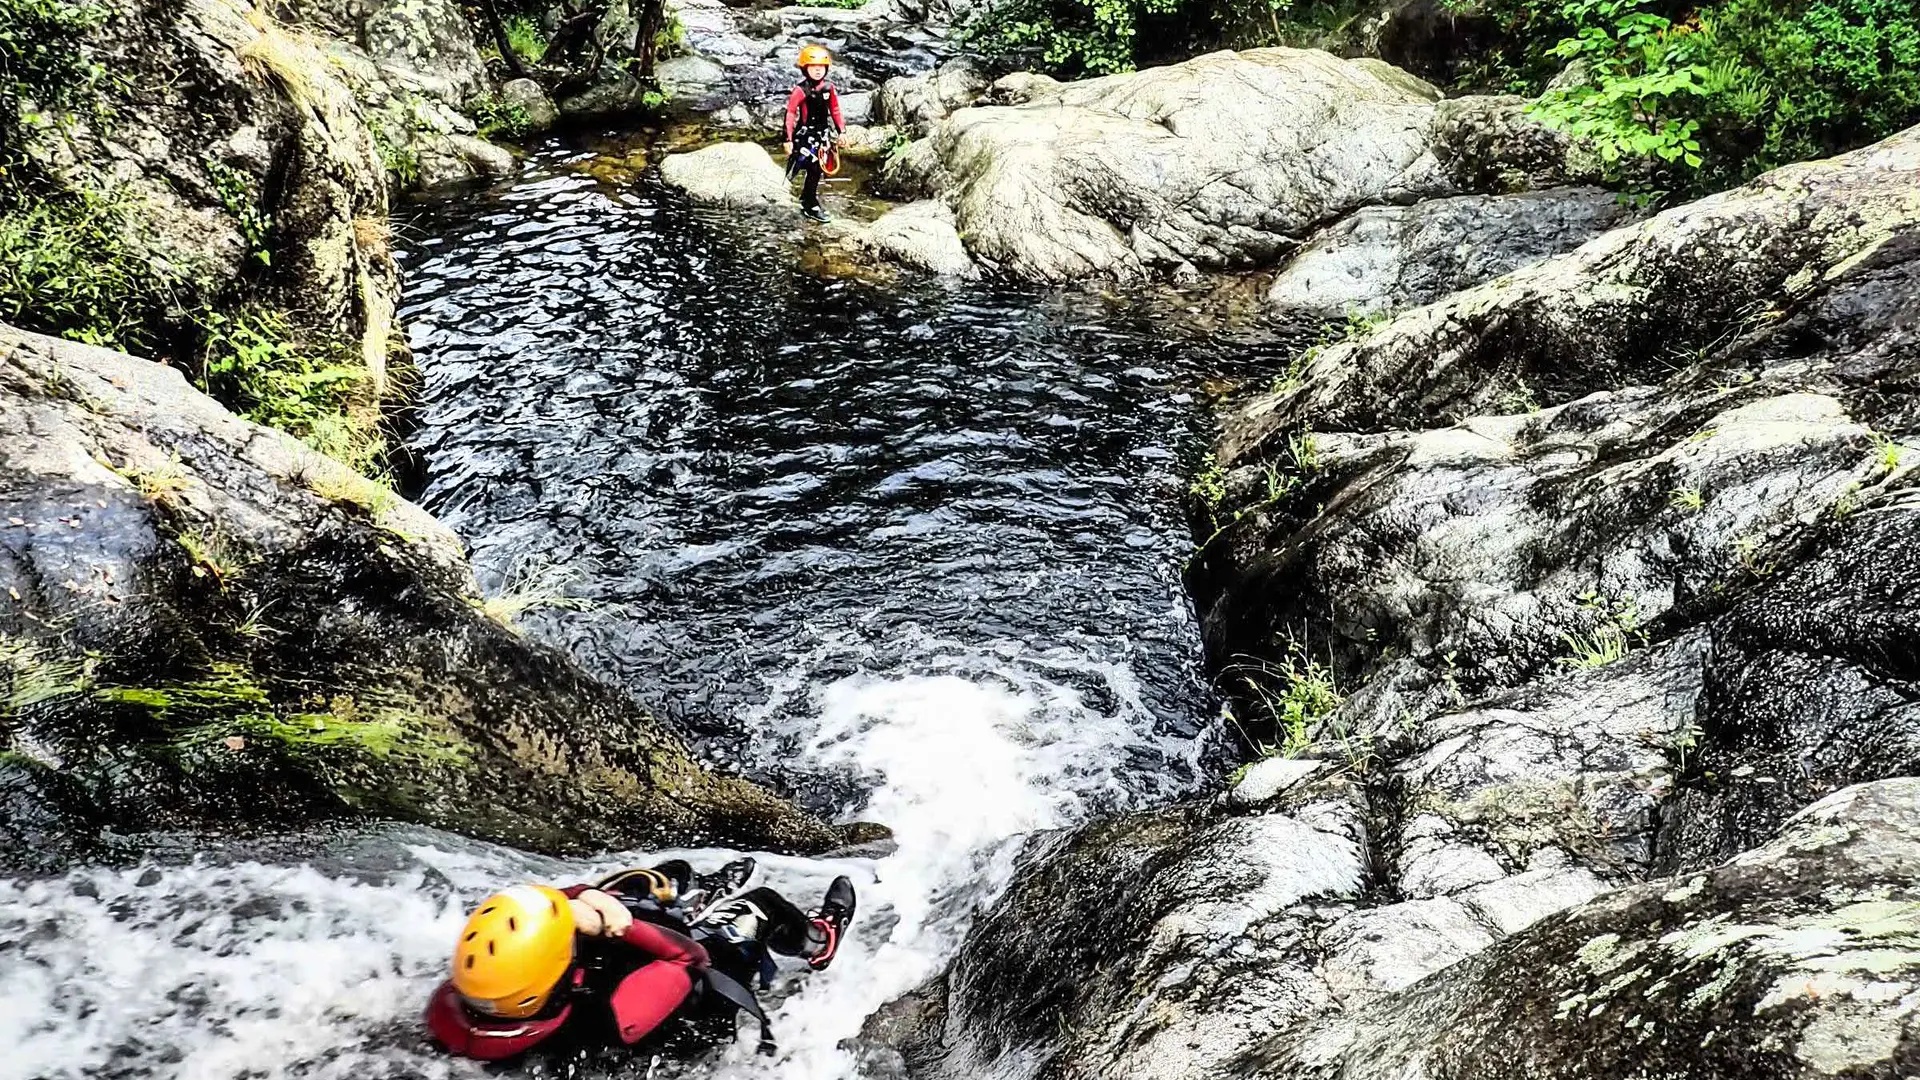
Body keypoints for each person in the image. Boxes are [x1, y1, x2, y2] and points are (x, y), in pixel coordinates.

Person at [425, 858, 857, 1062]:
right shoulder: (616, 1012)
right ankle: (820, 939)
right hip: (686, 1003)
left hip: (609, 988)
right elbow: (691, 958)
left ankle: (687, 895)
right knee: (763, 904)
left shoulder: (462, 1005)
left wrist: (585, 898)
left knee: (665, 875)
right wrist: (620, 924)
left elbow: (551, 905)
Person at [783, 44, 845, 223]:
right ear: (805, 69)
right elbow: (791, 113)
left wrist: (842, 131)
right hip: (804, 136)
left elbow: (835, 110)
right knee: (801, 166)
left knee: (817, 169)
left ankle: (809, 199)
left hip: (822, 135)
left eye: (821, 68)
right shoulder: (800, 90)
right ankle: (806, 199)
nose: (818, 71)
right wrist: (788, 139)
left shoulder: (828, 88)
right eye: (813, 67)